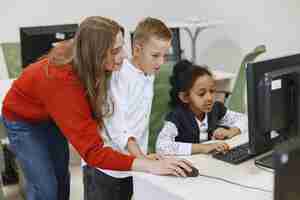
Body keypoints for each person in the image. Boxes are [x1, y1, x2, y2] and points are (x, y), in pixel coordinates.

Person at [1, 16, 193, 200]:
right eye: (116, 51)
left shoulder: (87, 56)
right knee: (46, 188)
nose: (124, 55)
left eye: (122, 47)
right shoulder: (63, 83)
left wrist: (140, 156)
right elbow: (93, 153)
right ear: (96, 53)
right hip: (23, 119)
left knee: (61, 181)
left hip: (52, 113)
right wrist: (147, 165)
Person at [83, 17, 174, 200]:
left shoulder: (149, 72)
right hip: (105, 170)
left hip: (130, 166)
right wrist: (142, 159)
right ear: (137, 50)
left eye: (165, 56)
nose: (161, 62)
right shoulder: (118, 74)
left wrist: (143, 157)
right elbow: (119, 127)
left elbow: (139, 120)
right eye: (155, 55)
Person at [156, 60, 248, 155]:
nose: (209, 98)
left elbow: (246, 119)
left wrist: (231, 131)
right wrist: (203, 148)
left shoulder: (216, 109)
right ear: (185, 97)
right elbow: (161, 146)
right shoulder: (177, 116)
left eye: (212, 91)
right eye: (201, 94)